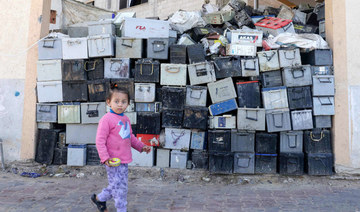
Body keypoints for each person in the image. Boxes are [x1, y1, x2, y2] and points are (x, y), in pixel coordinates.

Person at [91, 83, 151, 212]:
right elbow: (100, 140)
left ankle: (99, 198)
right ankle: (121, 209)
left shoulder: (126, 119)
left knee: (116, 186)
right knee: (120, 188)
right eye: (116, 101)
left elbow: (130, 138)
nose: (120, 104)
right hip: (112, 161)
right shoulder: (106, 119)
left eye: (124, 102)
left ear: (128, 104)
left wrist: (141, 147)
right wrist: (105, 157)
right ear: (109, 102)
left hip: (124, 160)